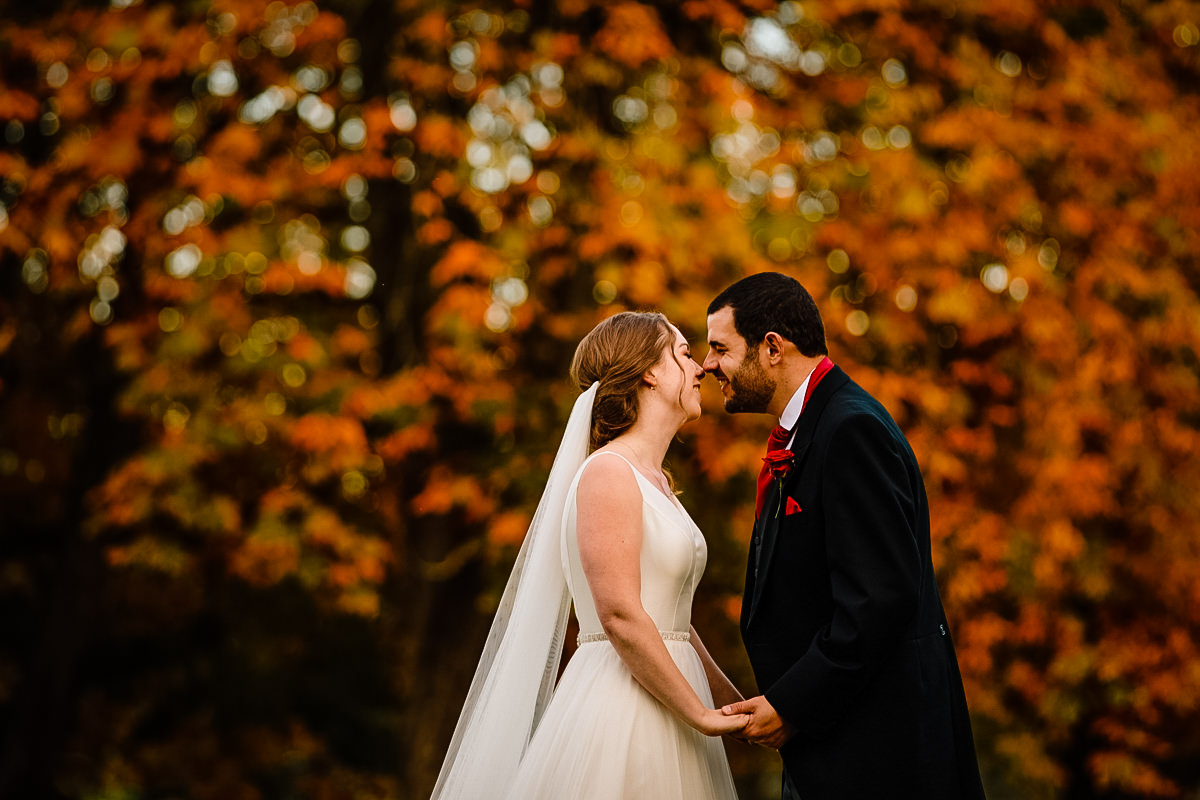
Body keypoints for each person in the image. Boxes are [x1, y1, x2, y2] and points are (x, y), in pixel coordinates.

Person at [432, 311, 746, 800]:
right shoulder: (608, 473)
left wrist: (731, 705)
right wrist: (701, 715)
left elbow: (672, 619)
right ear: (648, 372)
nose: (700, 368)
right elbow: (619, 614)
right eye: (684, 354)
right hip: (623, 707)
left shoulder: (658, 481)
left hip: (676, 702)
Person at [704, 273, 987, 800]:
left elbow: (880, 598)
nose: (707, 364)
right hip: (834, 743)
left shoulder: (851, 429)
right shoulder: (814, 427)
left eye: (720, 347)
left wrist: (792, 703)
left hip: (880, 757)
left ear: (771, 348)